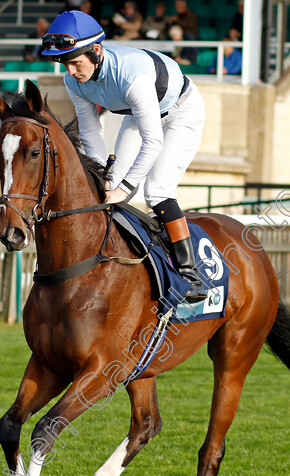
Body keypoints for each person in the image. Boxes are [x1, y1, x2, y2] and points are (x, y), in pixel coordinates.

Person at [41, 11, 207, 302]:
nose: (70, 72)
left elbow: (153, 141)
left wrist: (126, 188)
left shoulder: (131, 74)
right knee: (107, 186)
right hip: (137, 113)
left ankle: (190, 276)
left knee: (156, 189)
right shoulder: (74, 82)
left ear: (95, 50)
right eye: (65, 64)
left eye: (76, 63)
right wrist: (106, 179)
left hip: (181, 113)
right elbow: (91, 133)